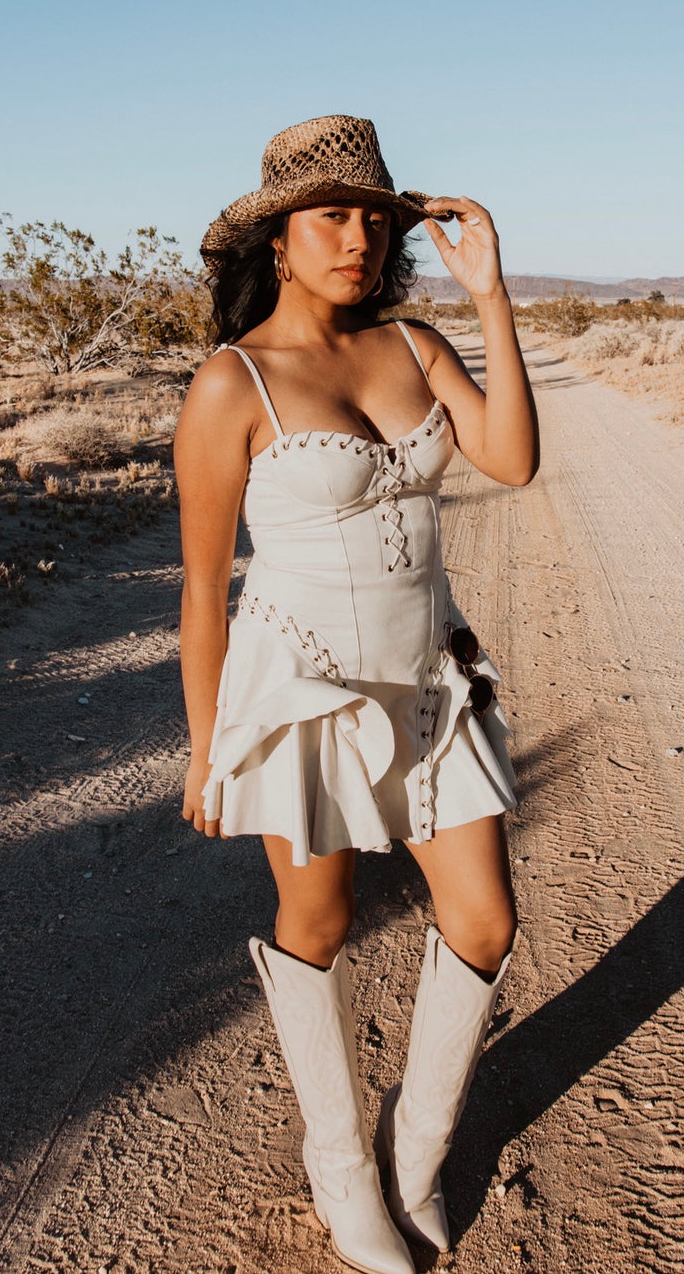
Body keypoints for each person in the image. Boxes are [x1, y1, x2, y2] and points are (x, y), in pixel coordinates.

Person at [173, 115, 539, 1274]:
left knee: (483, 920)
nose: (358, 240)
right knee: (319, 924)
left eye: (374, 220)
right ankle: (337, 1164)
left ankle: (415, 1152)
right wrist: (205, 749)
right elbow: (202, 588)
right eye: (331, 217)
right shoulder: (231, 383)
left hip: (432, 680)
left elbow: (512, 459)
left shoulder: (414, 345)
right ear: (277, 240)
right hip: (306, 693)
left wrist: (490, 301)